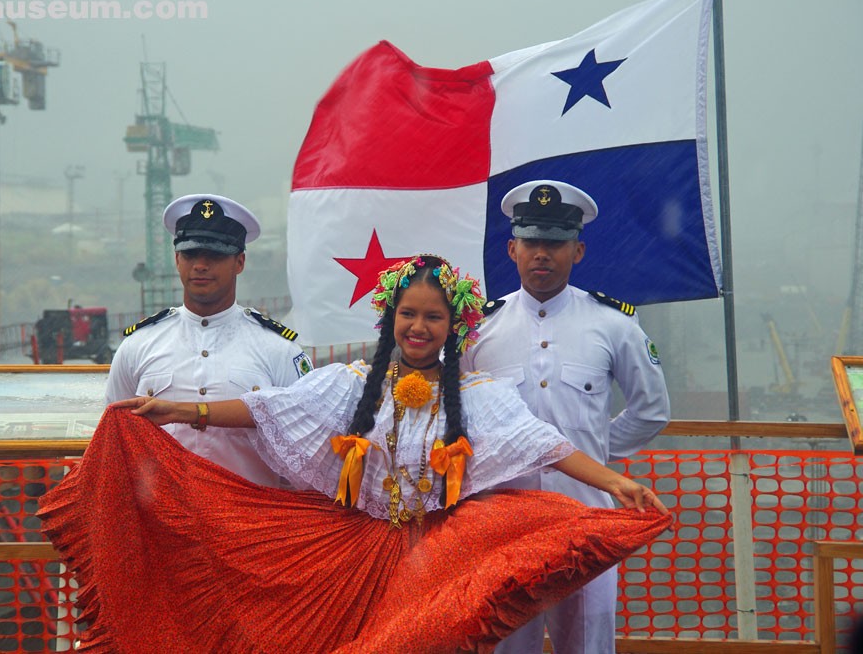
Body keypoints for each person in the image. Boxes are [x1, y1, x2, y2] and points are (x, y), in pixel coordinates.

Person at [40, 253, 671, 652]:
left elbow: (546, 446)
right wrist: (181, 410)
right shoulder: (349, 384)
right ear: (389, 319)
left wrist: (615, 484)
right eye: (407, 315)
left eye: (432, 318)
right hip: (355, 553)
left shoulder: (479, 396)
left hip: (437, 551)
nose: (418, 328)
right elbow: (268, 410)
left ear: (456, 329)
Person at [461, 180, 671, 654]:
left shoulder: (613, 324)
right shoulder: (477, 330)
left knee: (588, 643)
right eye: (532, 242)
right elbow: (454, 414)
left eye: (554, 243)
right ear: (512, 248)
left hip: (586, 517)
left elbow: (651, 408)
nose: (542, 253)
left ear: (577, 250)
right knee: (507, 643)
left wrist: (586, 455)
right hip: (502, 522)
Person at [105, 193, 313, 486]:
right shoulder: (138, 345)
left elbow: (306, 449)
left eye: (214, 255)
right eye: (190, 255)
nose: (200, 265)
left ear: (239, 262)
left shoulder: (278, 349)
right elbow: (113, 437)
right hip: (163, 520)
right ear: (177, 259)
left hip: (247, 520)